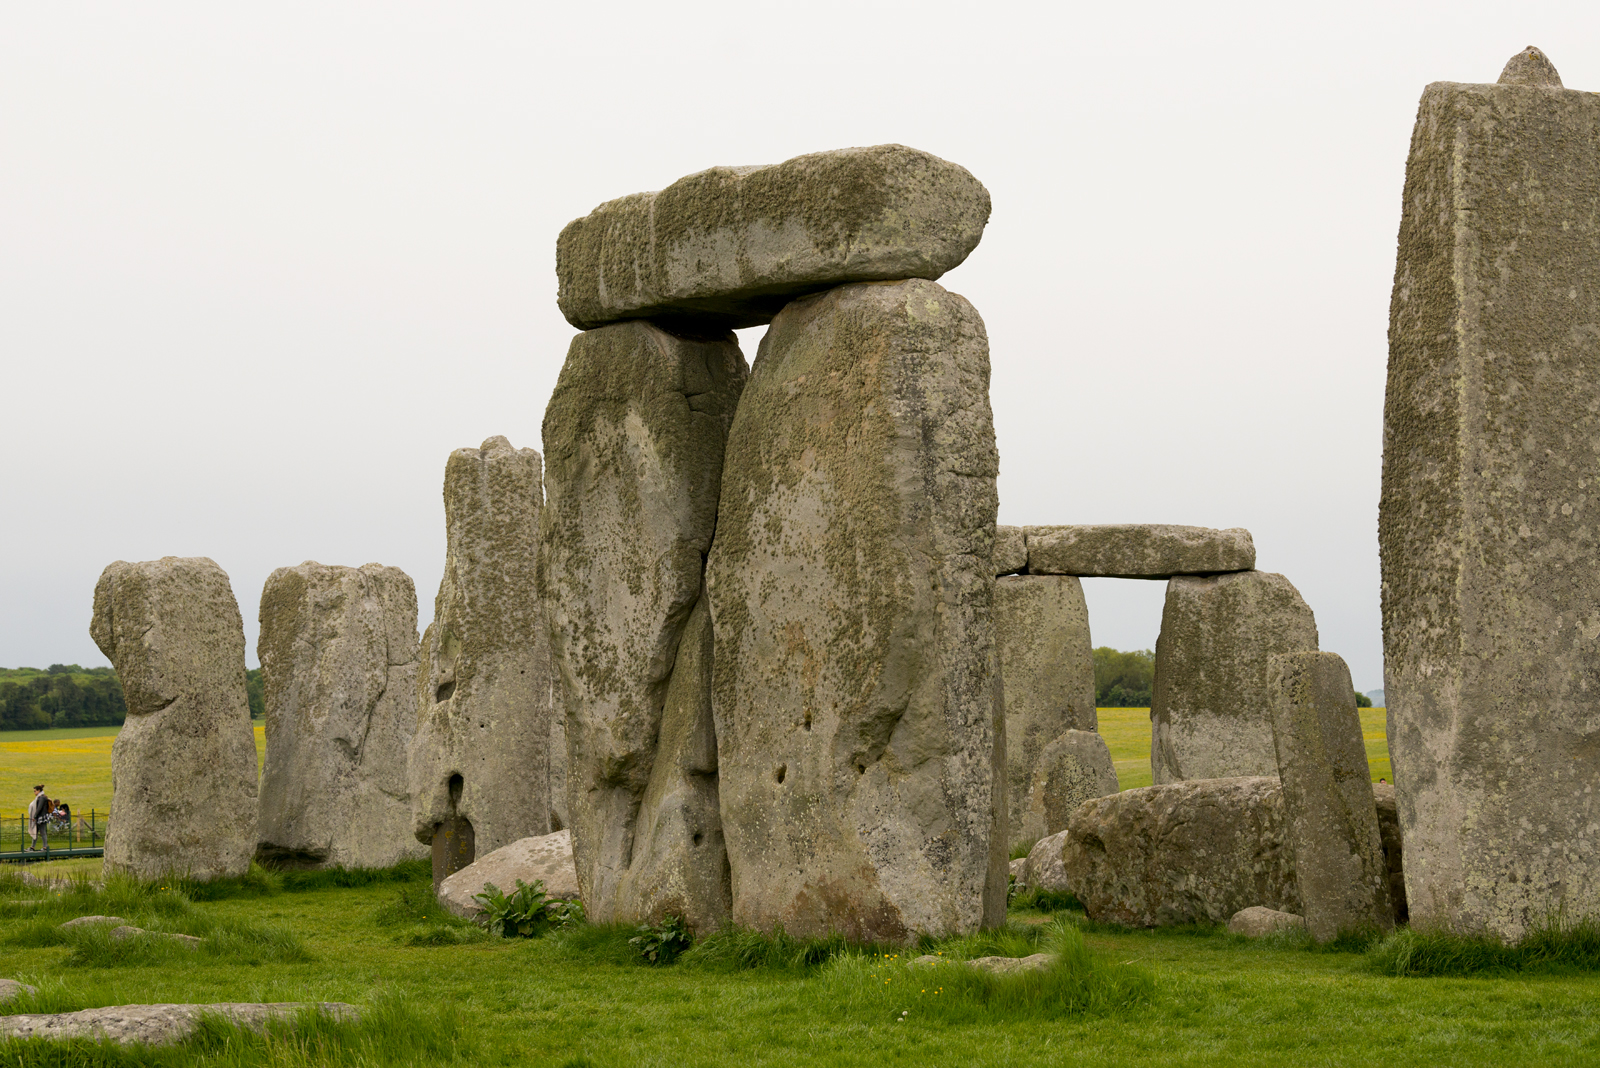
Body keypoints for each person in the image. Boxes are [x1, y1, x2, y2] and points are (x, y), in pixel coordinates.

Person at [26, 785, 50, 852]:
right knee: (35, 832)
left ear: (39, 791)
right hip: (39, 817)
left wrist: (35, 816)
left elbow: (39, 808)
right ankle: (32, 847)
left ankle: (45, 847)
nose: (34, 792)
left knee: (43, 832)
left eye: (35, 791)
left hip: (41, 818)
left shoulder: (41, 798)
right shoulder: (39, 797)